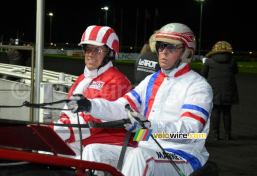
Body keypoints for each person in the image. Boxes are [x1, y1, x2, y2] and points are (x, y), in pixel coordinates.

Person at [67, 23, 213, 175]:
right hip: (147, 149)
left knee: (141, 156)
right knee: (93, 150)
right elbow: (122, 107)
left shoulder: (199, 86)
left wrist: (149, 127)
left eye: (172, 48)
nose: (163, 52)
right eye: (161, 46)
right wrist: (90, 105)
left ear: (187, 53)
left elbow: (191, 133)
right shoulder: (151, 80)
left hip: (183, 154)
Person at [52, 25, 134, 158]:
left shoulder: (117, 81)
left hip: (107, 144)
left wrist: (61, 131)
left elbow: (95, 122)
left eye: (97, 50)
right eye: (88, 49)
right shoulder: (82, 79)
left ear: (110, 54)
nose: (91, 54)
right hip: (83, 140)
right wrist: (55, 129)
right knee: (47, 148)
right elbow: (67, 112)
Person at [201, 41, 239, 140]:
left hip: (214, 88)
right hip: (228, 88)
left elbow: (203, 74)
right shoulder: (232, 60)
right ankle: (228, 134)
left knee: (215, 111)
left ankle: (216, 134)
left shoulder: (209, 61)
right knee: (227, 112)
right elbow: (235, 71)